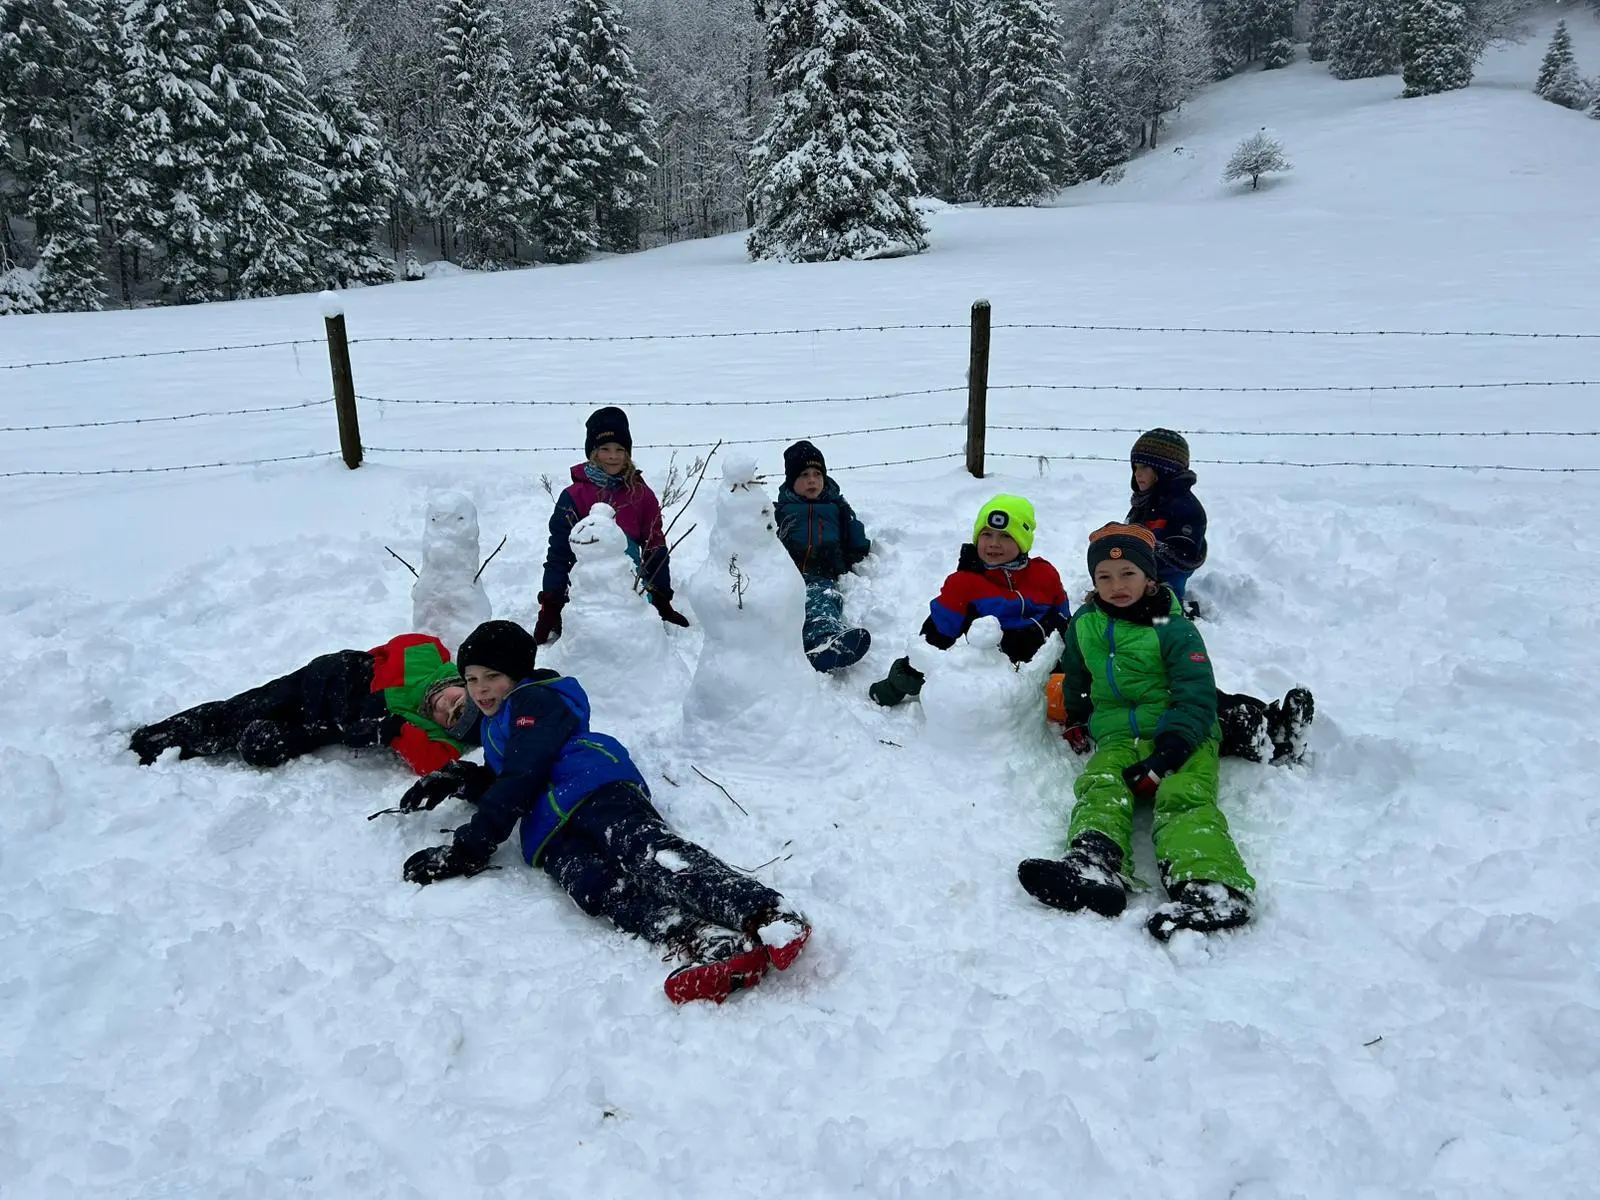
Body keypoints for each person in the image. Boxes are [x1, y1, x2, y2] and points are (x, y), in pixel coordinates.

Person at [397, 620, 811, 1004]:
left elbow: (524, 773)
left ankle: (767, 913)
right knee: (601, 889)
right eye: (471, 679)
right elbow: (507, 778)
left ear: (517, 675)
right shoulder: (495, 724)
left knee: (646, 853)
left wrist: (469, 847)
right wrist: (457, 778)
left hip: (593, 788)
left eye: (492, 676)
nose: (481, 689)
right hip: (550, 829)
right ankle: (709, 943)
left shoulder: (535, 700)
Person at [1018, 524, 1254, 940]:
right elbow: (1075, 673)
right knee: (1101, 785)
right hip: (1118, 736)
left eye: (1129, 573)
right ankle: (1094, 863)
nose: (1117, 585)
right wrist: (1075, 717)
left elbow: (1197, 695)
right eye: (1104, 577)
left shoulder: (1169, 624)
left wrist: (1169, 752)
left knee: (1182, 796)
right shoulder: (1086, 622)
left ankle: (1211, 887)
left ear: (1149, 578)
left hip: (1182, 732)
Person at [128, 633, 475, 775]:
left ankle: (249, 739)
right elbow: (390, 649)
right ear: (462, 683)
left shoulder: (434, 732)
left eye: (451, 718)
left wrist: (396, 729)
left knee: (262, 748)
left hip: (331, 723)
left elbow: (435, 761)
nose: (445, 710)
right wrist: (377, 699)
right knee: (248, 707)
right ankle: (166, 736)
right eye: (457, 702)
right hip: (334, 677)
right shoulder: (430, 655)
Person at [869, 494, 1068, 706]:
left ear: (1023, 541)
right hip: (999, 675)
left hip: (1049, 662)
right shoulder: (965, 584)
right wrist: (899, 682)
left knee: (1076, 693)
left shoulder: (1044, 574)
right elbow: (935, 636)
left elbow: (1065, 619)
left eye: (1006, 536)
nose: (994, 544)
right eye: (986, 534)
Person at [534, 406, 688, 645]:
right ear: (592, 453)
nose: (613, 456)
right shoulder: (573, 496)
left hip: (629, 590)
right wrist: (551, 605)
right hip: (584, 592)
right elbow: (559, 554)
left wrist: (661, 598)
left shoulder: (641, 495)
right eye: (604, 449)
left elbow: (654, 547)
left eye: (620, 449)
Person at [774, 439, 873, 672]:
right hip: (786, 570)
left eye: (817, 474)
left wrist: (852, 553)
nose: (812, 480)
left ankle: (823, 637)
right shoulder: (780, 510)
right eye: (804, 475)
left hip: (822, 571)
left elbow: (855, 538)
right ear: (791, 481)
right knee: (782, 602)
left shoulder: (836, 508)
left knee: (823, 598)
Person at [1126, 428, 1207, 603]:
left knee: (1161, 604)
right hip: (1142, 571)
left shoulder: (1185, 508)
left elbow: (1183, 555)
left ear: (1165, 470)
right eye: (1135, 467)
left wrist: (1147, 550)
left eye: (1145, 467)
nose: (1137, 473)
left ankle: (1176, 609)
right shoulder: (1144, 502)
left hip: (1167, 576)